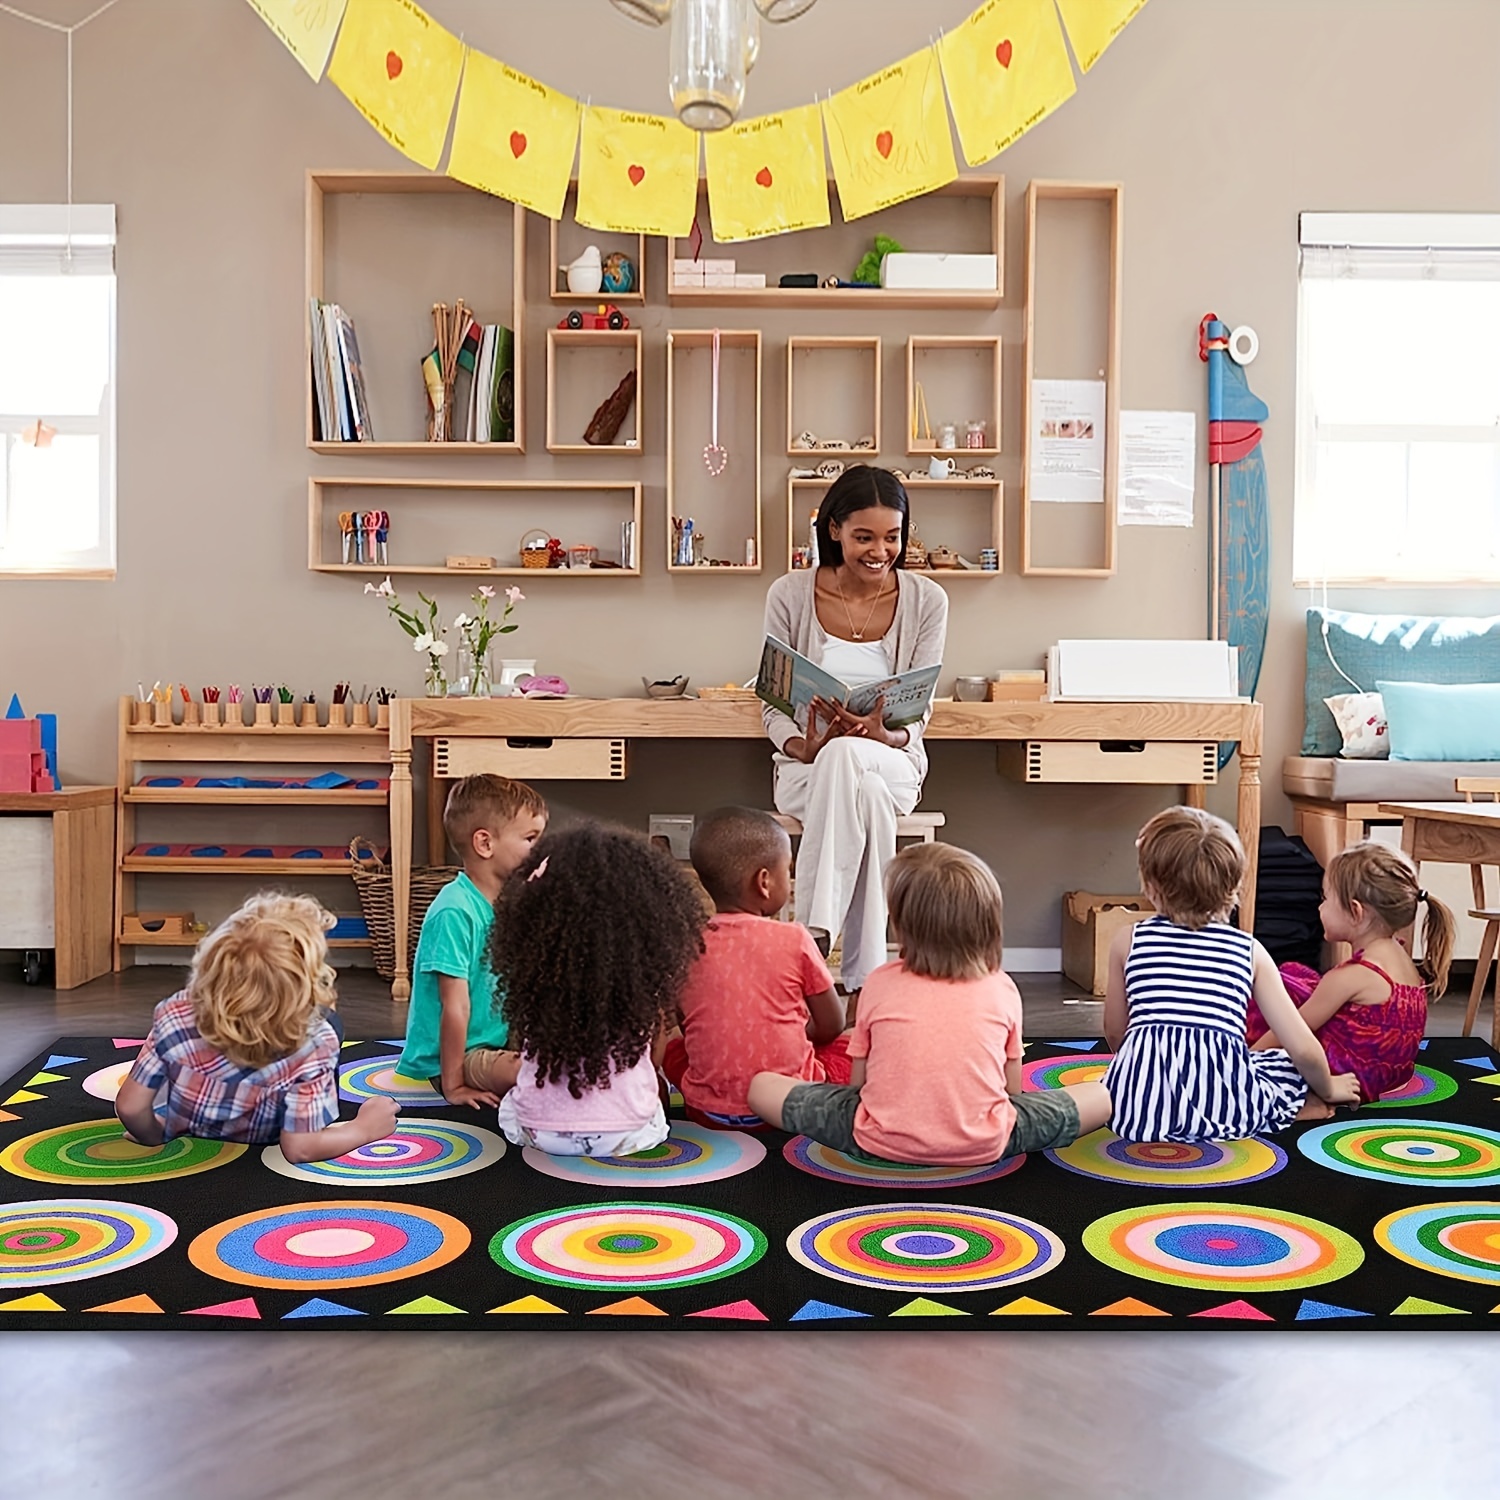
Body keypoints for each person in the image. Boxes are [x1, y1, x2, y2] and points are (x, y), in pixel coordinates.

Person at [749, 844, 1111, 1165]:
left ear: (903, 926)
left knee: (762, 1086)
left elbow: (859, 1084)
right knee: (1102, 1094)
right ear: (987, 924)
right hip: (988, 1142)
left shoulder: (879, 981)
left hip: (877, 1138)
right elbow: (1011, 1091)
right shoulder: (1002, 987)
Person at [761, 465, 948, 1007]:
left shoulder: (927, 599)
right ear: (834, 528)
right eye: (864, 536)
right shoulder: (791, 593)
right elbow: (773, 698)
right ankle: (865, 980)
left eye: (892, 537)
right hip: (808, 770)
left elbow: (920, 710)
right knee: (857, 786)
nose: (879, 551)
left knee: (856, 760)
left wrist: (884, 736)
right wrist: (800, 745)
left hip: (893, 763)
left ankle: (813, 939)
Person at [1103, 807, 1361, 1141]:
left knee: (1115, 1083)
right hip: (1224, 1103)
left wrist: (1144, 1068)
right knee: (1277, 1064)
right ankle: (1301, 1106)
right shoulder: (1248, 950)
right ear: (1235, 886)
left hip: (1136, 1109)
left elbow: (1114, 1031)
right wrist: (1329, 1086)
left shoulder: (1129, 939)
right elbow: (1304, 1049)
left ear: (1150, 887)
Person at [115, 893, 398, 1163]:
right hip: (269, 1137)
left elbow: (130, 1107)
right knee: (331, 1021)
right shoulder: (315, 1042)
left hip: (194, 1126)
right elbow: (301, 1148)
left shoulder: (175, 1012)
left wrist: (154, 1134)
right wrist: (364, 1128)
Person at [491, 823, 706, 1157]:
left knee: (513, 1102)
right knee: (652, 1090)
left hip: (540, 1132)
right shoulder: (640, 988)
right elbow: (653, 1062)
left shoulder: (536, 981)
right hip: (626, 1135)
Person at [663, 807, 849, 1130]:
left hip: (707, 1113)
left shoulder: (684, 944)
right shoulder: (795, 939)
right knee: (851, 1043)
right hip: (790, 1110)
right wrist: (796, 1035)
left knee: (674, 1048)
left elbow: (687, 1025)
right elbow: (833, 1025)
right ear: (764, 882)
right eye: (786, 871)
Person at [1247, 841, 1454, 1104]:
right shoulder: (1399, 956)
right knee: (1294, 976)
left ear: (1355, 911)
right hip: (1389, 1073)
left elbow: (1289, 1031)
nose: (1320, 907)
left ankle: (1306, 1102)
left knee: (1269, 998)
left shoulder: (1354, 975)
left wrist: (1248, 1063)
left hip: (1350, 1078)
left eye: (1325, 899)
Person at [395, 774, 547, 1109]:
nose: (540, 850)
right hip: (457, 1056)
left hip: (496, 1039)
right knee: (537, 1073)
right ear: (485, 844)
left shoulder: (510, 902)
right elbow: (456, 1006)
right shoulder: (454, 911)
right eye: (530, 839)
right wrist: (454, 1085)